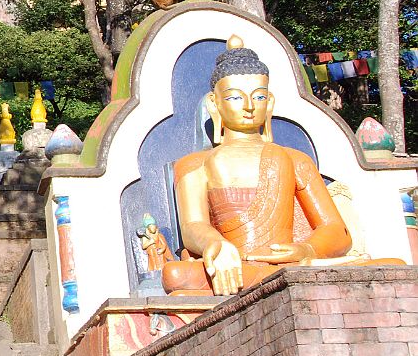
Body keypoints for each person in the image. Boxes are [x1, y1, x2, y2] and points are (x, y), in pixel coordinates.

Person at [167, 35, 400, 296]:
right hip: (238, 266)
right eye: (234, 98)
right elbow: (192, 227)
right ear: (214, 103)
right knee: (177, 276)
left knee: (395, 267)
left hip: (294, 263)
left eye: (258, 97)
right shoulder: (196, 164)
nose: (248, 107)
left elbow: (336, 231)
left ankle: (293, 275)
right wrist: (216, 244)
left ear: (270, 102)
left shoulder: (295, 159)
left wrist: (306, 249)